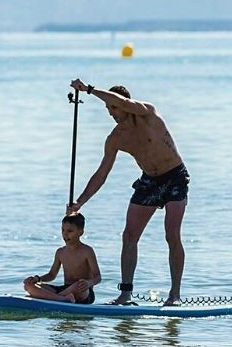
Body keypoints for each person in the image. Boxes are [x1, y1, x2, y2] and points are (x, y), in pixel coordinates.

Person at [67, 79, 190, 306]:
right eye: (108, 109)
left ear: (125, 104)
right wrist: (80, 202)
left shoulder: (147, 113)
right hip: (149, 181)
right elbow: (101, 174)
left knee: (171, 234)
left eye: (113, 107)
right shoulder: (116, 138)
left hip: (174, 176)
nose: (111, 112)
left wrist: (90, 90)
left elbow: (122, 101)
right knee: (129, 236)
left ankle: (175, 295)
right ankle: (125, 294)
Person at [23, 213, 101, 304]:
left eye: (70, 231)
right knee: (28, 286)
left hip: (82, 291)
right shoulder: (60, 252)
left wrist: (89, 283)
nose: (65, 234)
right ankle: (62, 298)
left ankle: (51, 297)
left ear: (81, 232)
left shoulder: (87, 251)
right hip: (65, 290)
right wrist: (37, 278)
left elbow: (98, 277)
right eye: (63, 230)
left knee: (78, 285)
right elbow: (52, 275)